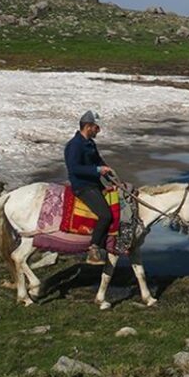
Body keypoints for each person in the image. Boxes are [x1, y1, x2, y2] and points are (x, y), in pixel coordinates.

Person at [64, 110, 114, 265]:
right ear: (88, 127)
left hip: (94, 184)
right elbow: (74, 169)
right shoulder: (74, 145)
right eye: (96, 128)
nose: (97, 131)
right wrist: (98, 170)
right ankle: (94, 248)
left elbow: (98, 160)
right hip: (83, 187)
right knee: (106, 216)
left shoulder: (90, 143)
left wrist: (108, 173)